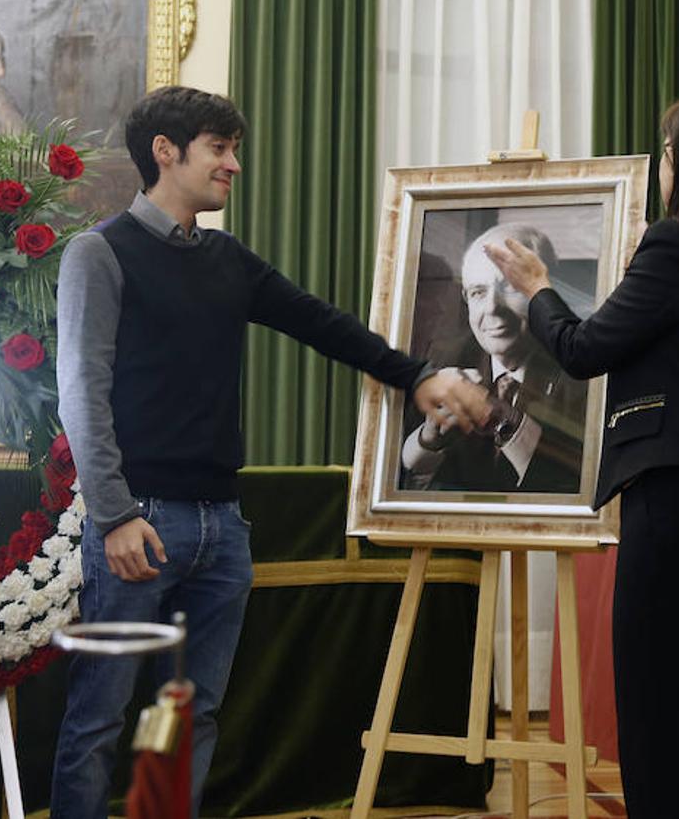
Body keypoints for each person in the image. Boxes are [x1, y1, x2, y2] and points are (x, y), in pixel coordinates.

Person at [50, 86, 487, 818]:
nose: (234, 166)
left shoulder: (227, 258)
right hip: (140, 524)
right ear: (166, 151)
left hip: (223, 527)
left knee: (189, 718)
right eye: (219, 149)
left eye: (234, 150)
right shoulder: (98, 253)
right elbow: (80, 392)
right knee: (98, 720)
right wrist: (115, 513)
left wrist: (416, 377)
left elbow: (322, 324)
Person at [486, 82, 679, 818]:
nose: (662, 164)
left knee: (659, 719)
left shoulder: (678, 242)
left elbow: (582, 348)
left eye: (667, 150)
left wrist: (536, 287)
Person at [401, 222, 589, 493]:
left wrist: (506, 422)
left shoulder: (582, 369)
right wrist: (428, 439)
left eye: (510, 287)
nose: (491, 308)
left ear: (548, 293)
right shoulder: (442, 360)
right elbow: (401, 479)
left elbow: (579, 483)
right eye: (478, 292)